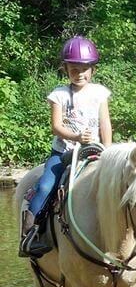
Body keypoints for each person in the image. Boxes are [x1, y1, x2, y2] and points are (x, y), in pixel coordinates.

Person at [19, 35, 112, 257]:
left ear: (93, 70)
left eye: (84, 69)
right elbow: (56, 127)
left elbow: (105, 122)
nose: (79, 73)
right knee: (44, 187)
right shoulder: (59, 95)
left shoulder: (99, 93)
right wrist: (77, 137)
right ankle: (29, 236)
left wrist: (107, 149)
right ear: (65, 69)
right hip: (64, 152)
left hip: (94, 152)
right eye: (73, 68)